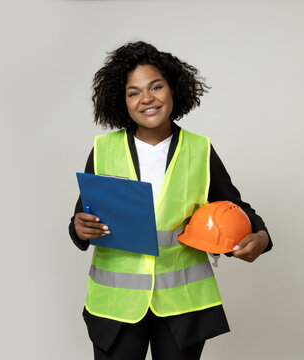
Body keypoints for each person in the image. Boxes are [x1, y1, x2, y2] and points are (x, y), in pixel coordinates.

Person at [68, 41, 272, 360]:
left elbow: (236, 207)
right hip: (117, 309)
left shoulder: (200, 150)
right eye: (134, 92)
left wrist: (261, 236)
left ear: (173, 89)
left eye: (155, 86)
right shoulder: (104, 149)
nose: (146, 98)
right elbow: (82, 218)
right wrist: (79, 229)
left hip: (182, 306)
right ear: (121, 101)